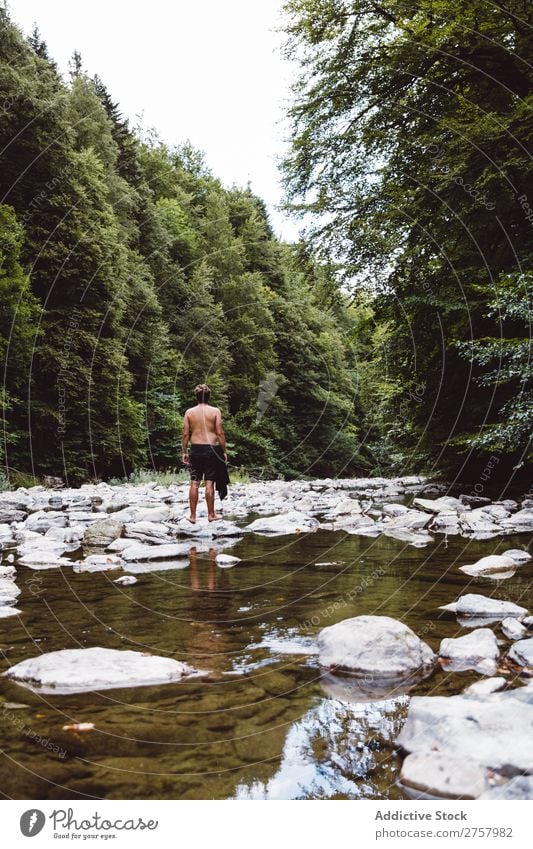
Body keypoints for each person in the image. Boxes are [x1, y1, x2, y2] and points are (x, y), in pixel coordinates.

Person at [181, 383, 228, 523]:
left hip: (195, 449)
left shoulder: (189, 412)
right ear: (209, 396)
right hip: (211, 450)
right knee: (209, 483)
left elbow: (185, 434)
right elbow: (220, 432)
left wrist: (184, 451)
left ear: (196, 396)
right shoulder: (215, 411)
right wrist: (224, 451)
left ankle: (193, 516)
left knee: (194, 483)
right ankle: (211, 515)